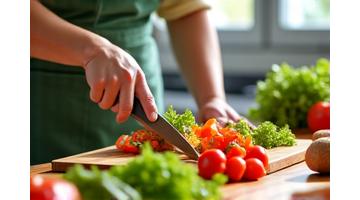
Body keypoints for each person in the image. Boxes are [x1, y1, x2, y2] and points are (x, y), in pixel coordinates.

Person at [30, 0, 248, 164]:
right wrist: (92, 50)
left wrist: (211, 97)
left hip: (140, 92)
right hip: (40, 100)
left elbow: (186, 8)